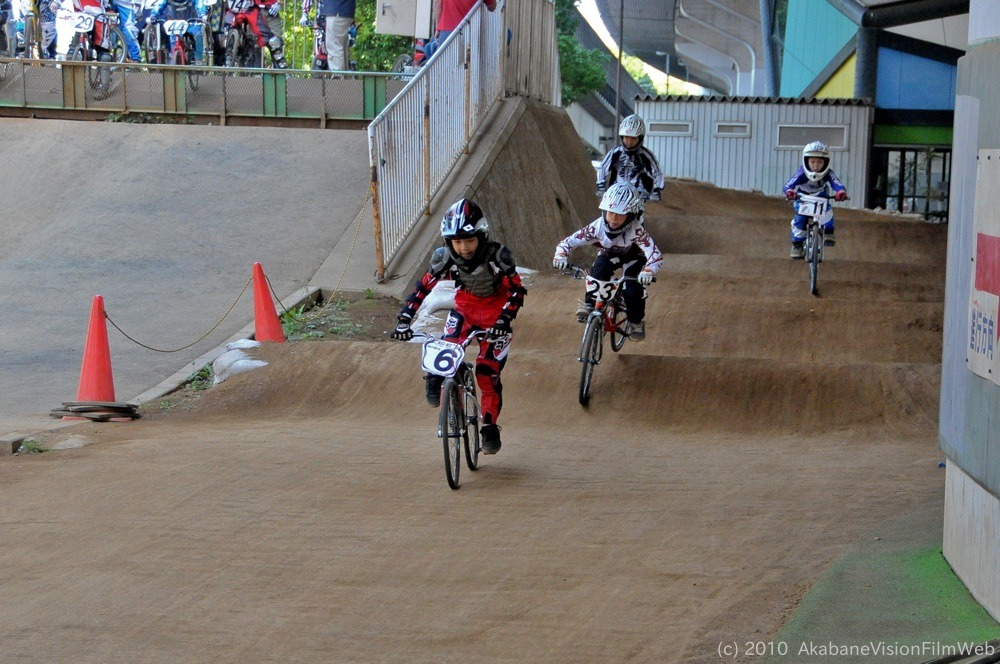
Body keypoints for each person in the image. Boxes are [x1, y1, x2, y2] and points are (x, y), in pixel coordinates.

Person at [391, 198, 526, 455]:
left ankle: (489, 426)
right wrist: (404, 320)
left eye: (469, 240)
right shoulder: (444, 258)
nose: (463, 248)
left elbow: (518, 292)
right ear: (448, 241)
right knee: (448, 345)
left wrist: (503, 320)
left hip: (496, 319)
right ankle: (434, 375)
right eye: (457, 241)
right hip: (464, 311)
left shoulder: (499, 256)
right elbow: (422, 289)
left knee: (487, 374)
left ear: (482, 235)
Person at [552, 182, 662, 342]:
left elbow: (655, 255)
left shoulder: (637, 230)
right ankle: (590, 304)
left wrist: (648, 271)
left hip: (634, 258)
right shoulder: (597, 227)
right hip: (608, 254)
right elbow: (568, 242)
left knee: (633, 291)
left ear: (631, 214)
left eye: (620, 214)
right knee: (597, 272)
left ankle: (636, 321)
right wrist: (560, 255)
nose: (613, 219)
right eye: (610, 212)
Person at [783, 141, 848, 259]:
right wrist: (789, 191)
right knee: (799, 219)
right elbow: (789, 184)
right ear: (806, 161)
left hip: (820, 196)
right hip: (802, 197)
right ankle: (797, 244)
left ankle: (828, 232)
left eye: (820, 162)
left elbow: (836, 182)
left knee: (827, 213)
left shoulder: (828, 173)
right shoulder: (801, 172)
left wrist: (840, 192)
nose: (816, 165)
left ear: (826, 162)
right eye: (812, 161)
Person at [596, 114, 664, 203]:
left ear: (640, 138)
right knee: (607, 213)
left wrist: (657, 189)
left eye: (633, 138)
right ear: (622, 137)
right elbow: (603, 167)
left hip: (638, 194)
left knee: (638, 215)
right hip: (615, 192)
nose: (629, 142)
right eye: (626, 137)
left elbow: (657, 172)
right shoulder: (615, 152)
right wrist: (601, 185)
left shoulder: (646, 155)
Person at [424, 0, 495, 60]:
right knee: (467, 65)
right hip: (470, 31)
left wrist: (438, 26)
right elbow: (492, 7)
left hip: (447, 29)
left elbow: (438, 3)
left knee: (442, 65)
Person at [299, 0, 351, 72]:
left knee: (334, 48)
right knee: (338, 48)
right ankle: (342, 80)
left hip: (333, 12)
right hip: (340, 13)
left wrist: (305, 13)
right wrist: (305, 13)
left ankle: (337, 80)